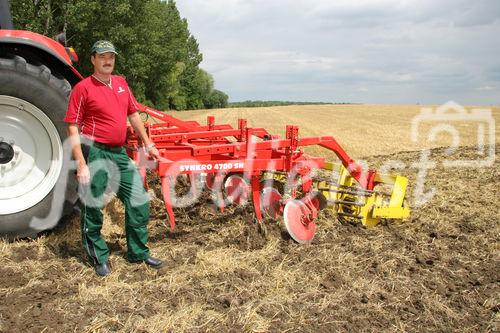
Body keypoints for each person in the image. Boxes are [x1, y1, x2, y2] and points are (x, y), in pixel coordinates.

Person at [64, 40, 162, 276]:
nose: (108, 61)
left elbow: (133, 114)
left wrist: (148, 144)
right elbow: (72, 126)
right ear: (93, 59)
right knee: (94, 205)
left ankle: (138, 252)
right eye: (102, 57)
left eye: (111, 57)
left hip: (119, 152)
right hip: (95, 151)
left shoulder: (121, 83)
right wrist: (81, 162)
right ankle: (99, 257)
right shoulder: (83, 88)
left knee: (138, 198)